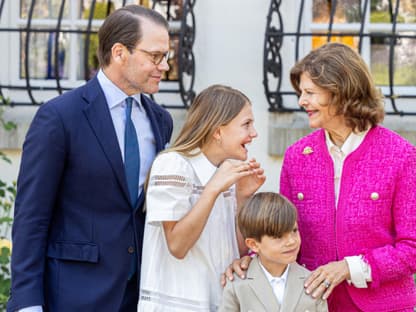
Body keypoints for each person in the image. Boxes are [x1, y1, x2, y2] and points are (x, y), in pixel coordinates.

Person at [225, 42, 416, 311]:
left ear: (341, 92)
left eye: (310, 93)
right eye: (301, 93)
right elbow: (284, 231)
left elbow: (412, 247)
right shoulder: (297, 157)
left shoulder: (401, 155)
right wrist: (255, 259)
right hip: (311, 304)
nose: (302, 101)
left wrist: (349, 268)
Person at [7, 5, 173, 312]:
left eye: (167, 56)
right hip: (73, 295)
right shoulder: (59, 117)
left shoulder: (161, 120)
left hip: (140, 297)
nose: (164, 66)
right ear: (120, 52)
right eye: (155, 56)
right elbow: (32, 217)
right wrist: (27, 303)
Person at [138, 84, 266, 311]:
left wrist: (243, 196)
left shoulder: (224, 171)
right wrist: (212, 190)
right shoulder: (173, 164)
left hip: (218, 302)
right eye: (246, 124)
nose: (254, 133)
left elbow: (234, 250)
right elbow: (177, 246)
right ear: (218, 131)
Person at [220, 192, 328, 311]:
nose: (291, 241)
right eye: (278, 236)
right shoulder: (237, 285)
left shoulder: (313, 283)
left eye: (294, 230)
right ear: (254, 244)